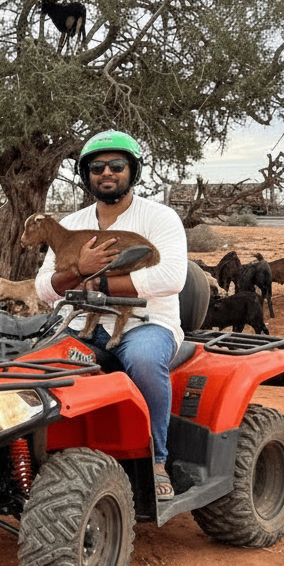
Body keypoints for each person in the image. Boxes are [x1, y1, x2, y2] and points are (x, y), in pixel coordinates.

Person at [34, 130, 188, 499]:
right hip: (80, 325)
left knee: (144, 360)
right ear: (86, 174)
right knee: (33, 365)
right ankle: (41, 455)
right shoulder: (71, 223)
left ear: (132, 171)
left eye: (117, 165)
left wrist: (98, 282)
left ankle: (156, 460)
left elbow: (171, 277)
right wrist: (76, 270)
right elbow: (43, 287)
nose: (107, 173)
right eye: (97, 167)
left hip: (145, 324)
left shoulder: (160, 218)